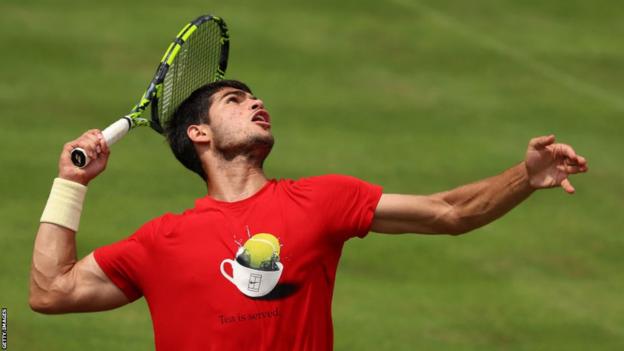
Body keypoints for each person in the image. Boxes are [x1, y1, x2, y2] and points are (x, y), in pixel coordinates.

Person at [29, 80, 588, 350]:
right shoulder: (160, 241)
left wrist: (525, 176)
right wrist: (69, 183)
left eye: (255, 98)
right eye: (234, 99)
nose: (256, 103)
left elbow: (449, 212)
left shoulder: (320, 200)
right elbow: (50, 291)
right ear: (198, 133)